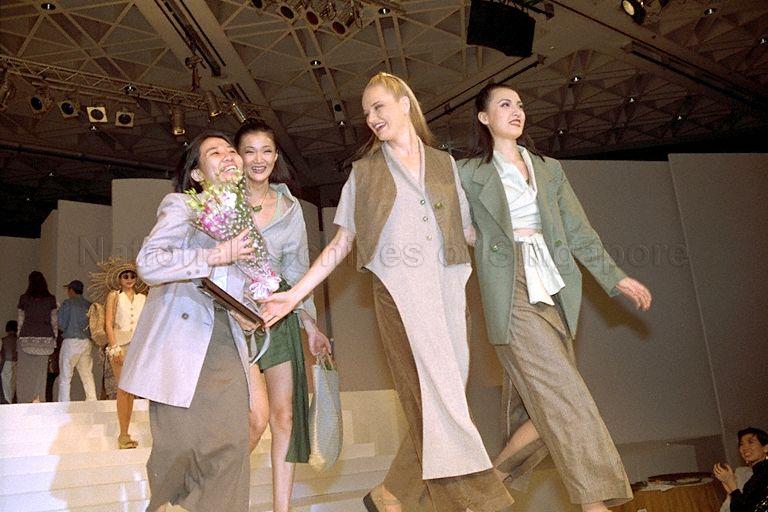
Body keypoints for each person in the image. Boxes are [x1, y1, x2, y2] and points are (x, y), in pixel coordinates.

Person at [261, 72, 514, 512]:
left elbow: (469, 230)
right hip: (400, 298)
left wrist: (515, 243)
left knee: (445, 403)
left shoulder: (444, 164)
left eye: (379, 107)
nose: (372, 118)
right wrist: (293, 294)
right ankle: (478, 502)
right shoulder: (365, 173)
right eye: (366, 113)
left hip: (450, 292)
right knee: (438, 406)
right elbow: (341, 243)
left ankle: (387, 495)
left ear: (404, 102)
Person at [457, 82, 653, 512]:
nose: (516, 111)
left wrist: (615, 278)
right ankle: (594, 504)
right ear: (484, 118)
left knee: (546, 412)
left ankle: (487, 488)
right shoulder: (468, 172)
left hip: (553, 288)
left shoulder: (548, 168)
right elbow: (455, 227)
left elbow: (579, 231)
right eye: (504, 104)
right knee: (568, 398)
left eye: (521, 105)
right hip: (510, 293)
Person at [119, 130, 258, 512]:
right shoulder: (181, 205)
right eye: (215, 152)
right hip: (181, 341)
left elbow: (244, 283)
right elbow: (149, 263)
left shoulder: (244, 217)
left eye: (232, 150)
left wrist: (251, 312)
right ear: (197, 174)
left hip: (227, 340)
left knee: (231, 447)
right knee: (176, 449)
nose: (229, 155)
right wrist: (213, 255)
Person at [235, 118, 332, 512]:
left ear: (276, 157)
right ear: (237, 157)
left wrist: (310, 325)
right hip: (234, 313)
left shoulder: (290, 207)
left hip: (279, 313)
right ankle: (219, 491)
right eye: (250, 151)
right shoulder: (222, 199)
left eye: (267, 151)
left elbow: (297, 268)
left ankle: (282, 509)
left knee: (284, 417)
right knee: (253, 419)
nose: (259, 160)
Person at [103, 263, 146, 448]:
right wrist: (114, 347)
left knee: (131, 390)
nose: (129, 279)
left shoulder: (143, 298)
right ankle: (123, 434)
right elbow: (108, 323)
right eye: (125, 276)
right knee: (124, 389)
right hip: (120, 344)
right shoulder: (114, 296)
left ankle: (126, 434)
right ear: (119, 279)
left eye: (132, 276)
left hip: (138, 346)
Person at [16, 271, 58, 403]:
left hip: (27, 338)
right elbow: (54, 320)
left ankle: (24, 398)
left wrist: (19, 335)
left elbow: (20, 320)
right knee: (41, 372)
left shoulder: (24, 298)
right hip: (45, 339)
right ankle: (38, 397)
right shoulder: (51, 299)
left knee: (25, 371)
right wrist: (54, 337)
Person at [57, 280, 97, 402]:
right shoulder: (89, 305)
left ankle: (64, 404)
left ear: (71, 290)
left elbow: (61, 324)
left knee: (65, 376)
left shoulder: (67, 304)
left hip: (71, 342)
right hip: (86, 342)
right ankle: (92, 401)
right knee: (87, 375)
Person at [714, 427, 768, 512]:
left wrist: (731, 483)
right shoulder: (753, 477)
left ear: (765, 448)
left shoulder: (764, 473)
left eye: (751, 442)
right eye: (741, 444)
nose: (745, 447)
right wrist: (730, 489)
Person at [1, 320, 18, 404]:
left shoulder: (3, 340)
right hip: (17, 363)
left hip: (6, 363)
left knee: (6, 385)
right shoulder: (19, 341)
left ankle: (8, 402)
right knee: (13, 384)